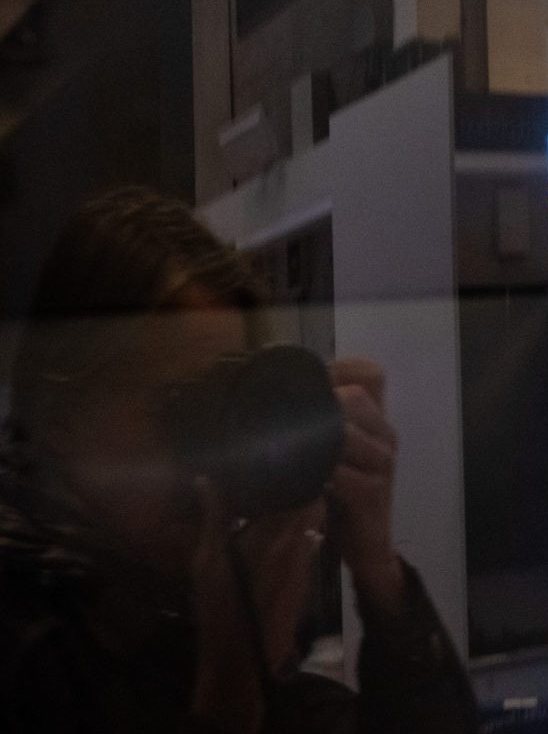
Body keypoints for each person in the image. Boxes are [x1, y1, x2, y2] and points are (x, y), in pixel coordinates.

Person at [0, 188, 479, 733]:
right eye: (179, 407)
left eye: (224, 405)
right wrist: (232, 677)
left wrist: (381, 581)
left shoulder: (171, 604)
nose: (207, 454)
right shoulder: (26, 642)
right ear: (61, 417)